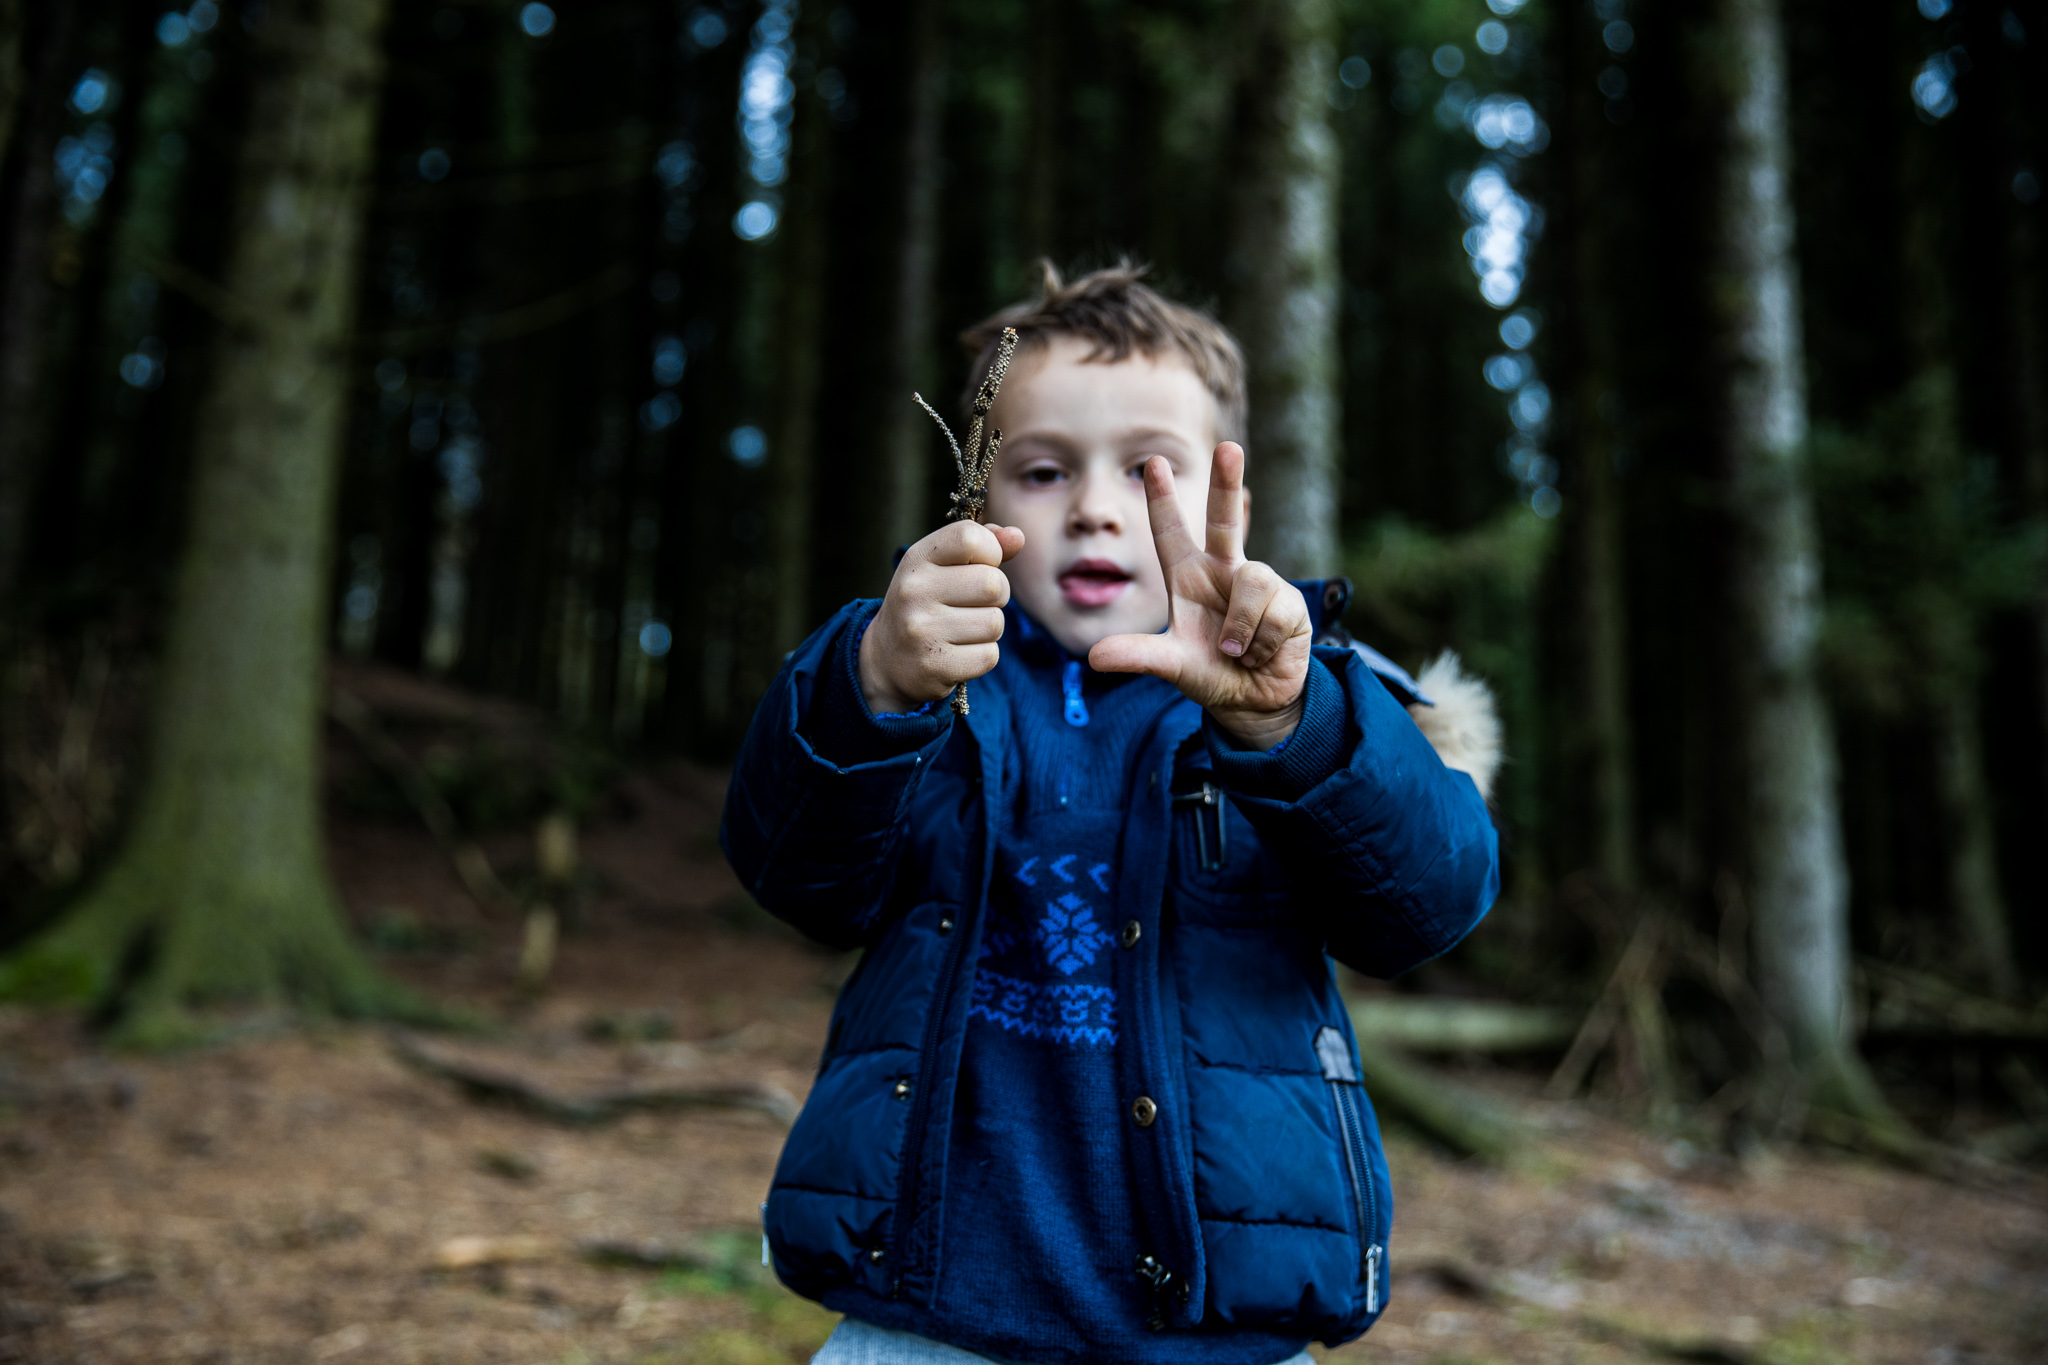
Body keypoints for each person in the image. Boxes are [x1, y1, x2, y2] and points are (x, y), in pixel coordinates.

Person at [722, 263, 1501, 1365]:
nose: (1092, 507)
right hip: (926, 1325)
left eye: (1145, 471)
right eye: (1041, 471)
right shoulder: (923, 683)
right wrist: (872, 688)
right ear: (979, 499)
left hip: (1219, 1334)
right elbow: (793, 874)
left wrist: (1292, 728)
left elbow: (1427, 906)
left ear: (1227, 492)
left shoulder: (1300, 691)